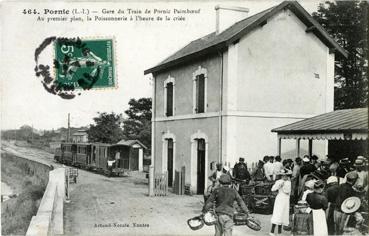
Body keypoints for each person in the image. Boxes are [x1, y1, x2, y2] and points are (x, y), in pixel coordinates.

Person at [270, 169, 292, 236]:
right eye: (283, 176)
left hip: (286, 199)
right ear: (281, 176)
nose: (284, 177)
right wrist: (279, 185)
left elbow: (288, 191)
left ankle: (279, 232)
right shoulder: (278, 181)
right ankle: (272, 231)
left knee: (283, 214)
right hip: (280, 198)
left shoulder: (289, 182)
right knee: (277, 214)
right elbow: (273, 189)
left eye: (286, 176)